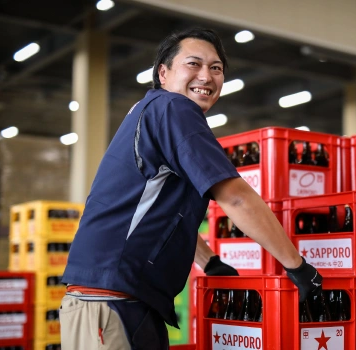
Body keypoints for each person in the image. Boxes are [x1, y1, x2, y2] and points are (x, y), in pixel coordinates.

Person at [60, 27, 323, 350]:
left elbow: (160, 210)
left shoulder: (150, 111)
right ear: (163, 72)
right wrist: (298, 267)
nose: (207, 76)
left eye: (216, 68)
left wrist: (209, 261)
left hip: (108, 300)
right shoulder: (174, 108)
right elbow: (236, 197)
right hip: (113, 302)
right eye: (194, 64)